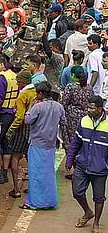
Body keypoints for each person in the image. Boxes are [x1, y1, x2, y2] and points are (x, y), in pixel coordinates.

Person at [66, 96, 108, 233]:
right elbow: (75, 143)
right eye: (88, 107)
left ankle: (96, 223)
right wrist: (69, 158)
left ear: (100, 109)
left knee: (99, 197)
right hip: (82, 165)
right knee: (77, 192)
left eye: (91, 108)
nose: (88, 110)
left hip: (100, 168)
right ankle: (88, 212)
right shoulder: (84, 121)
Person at [21, 81, 65, 210]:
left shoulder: (38, 107)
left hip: (37, 143)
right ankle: (49, 200)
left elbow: (27, 120)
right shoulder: (58, 106)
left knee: (35, 174)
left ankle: (34, 202)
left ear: (40, 93)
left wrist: (30, 108)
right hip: (50, 144)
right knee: (48, 174)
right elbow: (64, 121)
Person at [6, 71, 36, 198]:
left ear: (23, 82)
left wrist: (10, 130)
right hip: (34, 129)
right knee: (31, 159)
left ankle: (16, 189)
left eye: (18, 82)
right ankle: (32, 187)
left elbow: (19, 117)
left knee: (15, 157)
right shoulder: (35, 92)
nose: (17, 84)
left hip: (22, 129)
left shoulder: (22, 95)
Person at [0, 54, 19, 184]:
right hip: (12, 111)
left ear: (2, 65)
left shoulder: (0, 78)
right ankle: (5, 170)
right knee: (6, 141)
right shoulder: (13, 75)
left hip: (3, 113)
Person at [61, 67, 93, 162]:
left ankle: (74, 165)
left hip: (72, 118)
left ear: (73, 76)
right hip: (86, 117)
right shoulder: (89, 87)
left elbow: (64, 103)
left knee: (72, 141)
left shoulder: (70, 87)